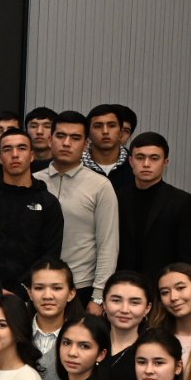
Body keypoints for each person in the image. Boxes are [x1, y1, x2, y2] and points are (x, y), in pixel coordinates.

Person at [38, 114, 121, 309]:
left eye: (75, 138)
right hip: (37, 285)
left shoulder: (100, 186)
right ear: (50, 140)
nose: (66, 143)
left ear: (85, 145)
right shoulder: (33, 181)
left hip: (81, 287)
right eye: (60, 136)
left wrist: (98, 296)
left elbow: (108, 245)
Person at [0, 129, 62, 294]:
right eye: (7, 149)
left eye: (22, 148)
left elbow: (50, 256)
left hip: (33, 292)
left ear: (32, 155)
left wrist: (23, 289)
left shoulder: (48, 202)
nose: (15, 155)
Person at [115, 133, 191, 276]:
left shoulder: (181, 201)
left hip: (162, 284)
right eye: (140, 157)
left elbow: (186, 257)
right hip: (123, 281)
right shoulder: (117, 197)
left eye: (154, 158)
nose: (146, 164)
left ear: (165, 162)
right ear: (130, 161)